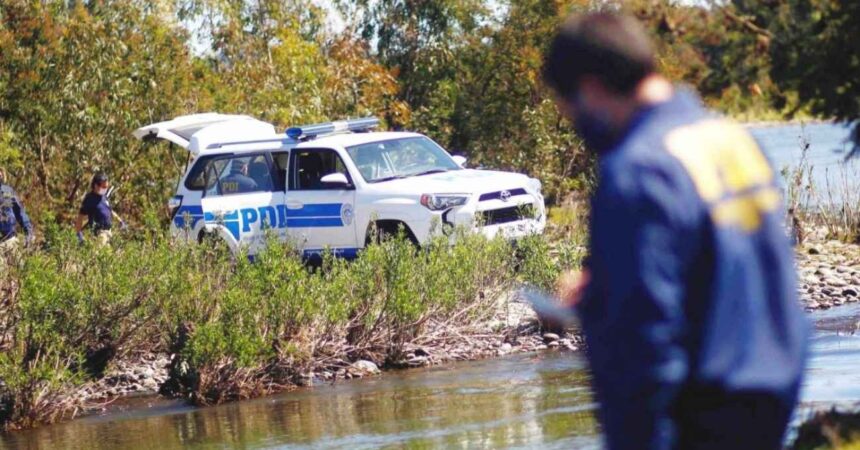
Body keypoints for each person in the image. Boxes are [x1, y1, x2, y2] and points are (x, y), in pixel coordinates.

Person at [543, 12, 808, 450]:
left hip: (699, 419)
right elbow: (734, 270)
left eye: (570, 111)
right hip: (771, 400)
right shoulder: (731, 138)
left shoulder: (638, 169)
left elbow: (643, 340)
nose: (576, 125)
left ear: (590, 89)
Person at [76, 172, 125, 245]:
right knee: (99, 253)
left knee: (108, 255)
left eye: (106, 187)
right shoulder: (90, 199)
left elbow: (110, 210)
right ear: (96, 186)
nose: (105, 189)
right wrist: (79, 233)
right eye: (104, 187)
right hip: (99, 234)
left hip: (109, 233)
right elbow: (80, 217)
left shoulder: (104, 197)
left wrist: (120, 221)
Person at [0, 167, 34, 258]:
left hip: (10, 241)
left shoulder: (8, 191)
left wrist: (29, 233)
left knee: (20, 269)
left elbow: (20, 213)